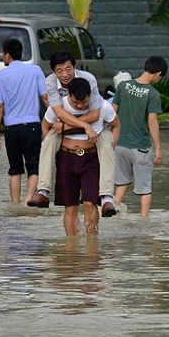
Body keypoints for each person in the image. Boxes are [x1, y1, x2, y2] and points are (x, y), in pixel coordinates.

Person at [28, 52, 118, 218]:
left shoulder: (89, 80)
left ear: (74, 67)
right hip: (65, 127)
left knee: (106, 142)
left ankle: (106, 197)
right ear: (54, 71)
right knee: (48, 141)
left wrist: (69, 126)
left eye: (68, 69)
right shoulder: (51, 82)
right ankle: (43, 191)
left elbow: (95, 114)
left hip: (94, 128)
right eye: (59, 70)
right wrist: (67, 134)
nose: (64, 74)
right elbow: (57, 114)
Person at [49, 78, 119, 235]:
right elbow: (46, 125)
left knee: (90, 202)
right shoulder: (59, 106)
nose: (80, 106)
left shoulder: (102, 106)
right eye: (76, 103)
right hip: (66, 157)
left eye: (84, 102)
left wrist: (110, 145)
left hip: (91, 158)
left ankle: (92, 243)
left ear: (90, 96)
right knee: (70, 206)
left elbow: (116, 125)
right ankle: (71, 245)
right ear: (69, 96)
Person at [0, 38, 48, 204]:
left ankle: (15, 204)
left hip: (12, 129)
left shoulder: (0, 76)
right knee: (33, 166)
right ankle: (28, 201)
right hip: (32, 125)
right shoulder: (35, 71)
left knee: (15, 169)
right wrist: (55, 119)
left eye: (3, 53)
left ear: (7, 55)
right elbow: (45, 97)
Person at [112, 56, 167, 218]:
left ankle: (111, 213)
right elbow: (152, 121)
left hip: (120, 145)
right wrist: (158, 148)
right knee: (145, 189)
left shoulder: (123, 86)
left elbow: (112, 111)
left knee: (122, 182)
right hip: (141, 147)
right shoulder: (152, 93)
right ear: (158, 74)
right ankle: (144, 222)